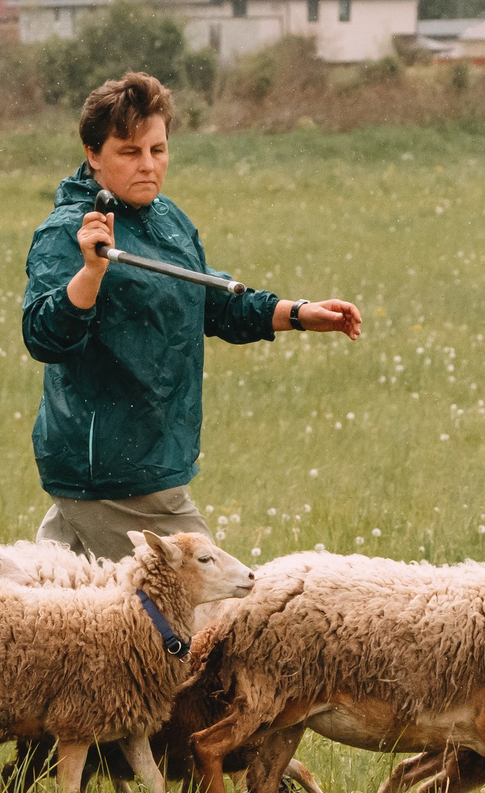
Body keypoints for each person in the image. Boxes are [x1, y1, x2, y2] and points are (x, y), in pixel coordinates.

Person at [21, 71, 361, 560]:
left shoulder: (166, 218)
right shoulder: (68, 233)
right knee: (213, 605)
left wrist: (300, 313)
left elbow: (213, 299)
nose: (148, 165)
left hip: (147, 456)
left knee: (64, 615)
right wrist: (91, 273)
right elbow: (43, 336)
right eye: (129, 151)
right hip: (117, 475)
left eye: (157, 150)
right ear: (93, 154)